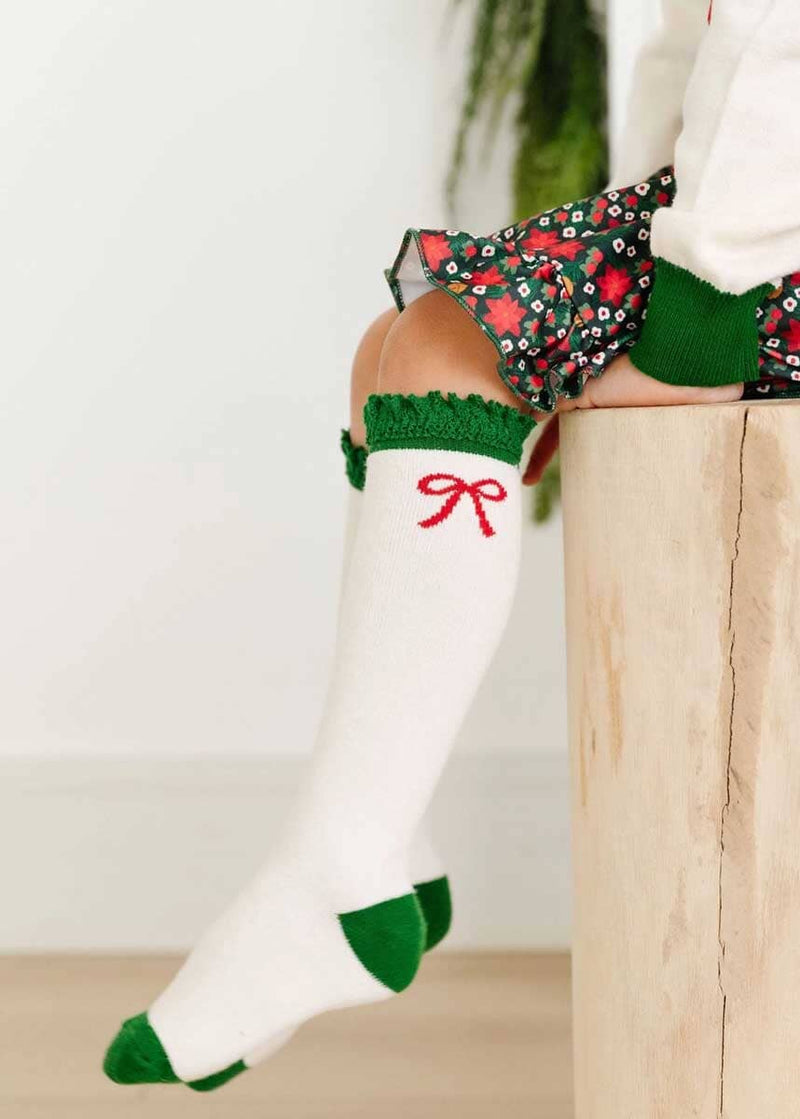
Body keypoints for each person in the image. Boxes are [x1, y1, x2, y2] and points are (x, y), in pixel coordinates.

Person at [103, 0, 800, 1091]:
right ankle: (374, 835)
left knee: (447, 351)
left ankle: (340, 865)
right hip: (744, 206)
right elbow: (699, 45)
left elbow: (773, 42)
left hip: (764, 236)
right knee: (391, 354)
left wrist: (688, 339)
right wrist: (620, 275)